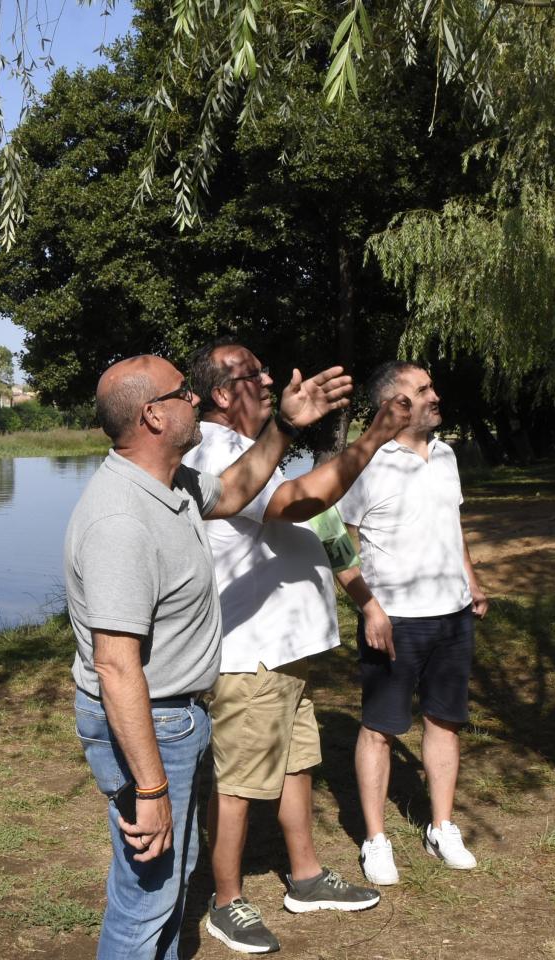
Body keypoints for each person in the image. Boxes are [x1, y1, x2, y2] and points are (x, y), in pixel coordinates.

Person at [66, 353, 352, 960]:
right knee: (146, 896)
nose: (194, 399)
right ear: (152, 416)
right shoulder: (122, 518)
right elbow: (115, 667)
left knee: (171, 881)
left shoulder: (173, 486)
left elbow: (242, 486)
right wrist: (149, 788)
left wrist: (287, 427)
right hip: (150, 721)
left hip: (176, 715)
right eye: (181, 393)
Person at [182, 341, 411, 953]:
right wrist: (374, 438)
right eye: (251, 373)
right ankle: (225, 902)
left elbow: (320, 520)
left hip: (283, 652)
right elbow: (299, 504)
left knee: (294, 764)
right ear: (223, 395)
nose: (268, 377)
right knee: (238, 783)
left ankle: (305, 876)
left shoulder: (255, 449)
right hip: (248, 655)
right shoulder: (216, 451)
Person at [337, 362, 490, 877]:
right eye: (421, 390)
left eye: (430, 387)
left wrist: (470, 579)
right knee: (380, 728)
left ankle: (441, 827)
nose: (434, 395)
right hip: (394, 620)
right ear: (393, 406)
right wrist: (369, 606)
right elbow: (337, 542)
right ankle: (375, 839)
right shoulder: (366, 464)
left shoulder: (446, 454)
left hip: (451, 615)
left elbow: (453, 524)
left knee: (445, 720)